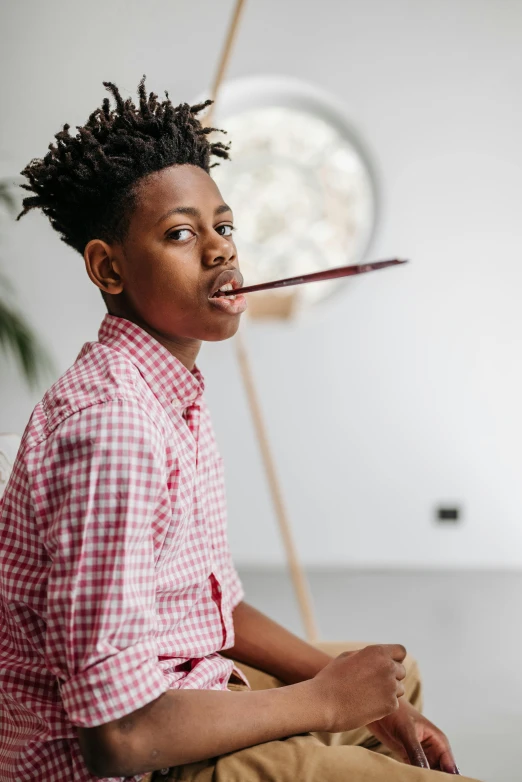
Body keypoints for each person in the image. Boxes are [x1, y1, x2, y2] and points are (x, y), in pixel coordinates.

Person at [0, 78, 480, 782]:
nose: (220, 251)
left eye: (223, 227)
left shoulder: (169, 391)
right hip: (132, 763)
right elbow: (119, 736)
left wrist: (345, 683)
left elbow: (212, 604)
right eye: (181, 234)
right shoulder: (114, 429)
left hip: (188, 687)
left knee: (393, 680)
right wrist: (322, 700)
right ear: (109, 266)